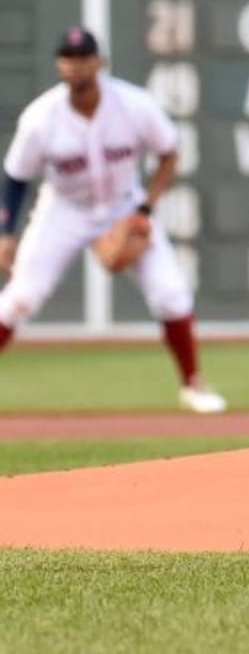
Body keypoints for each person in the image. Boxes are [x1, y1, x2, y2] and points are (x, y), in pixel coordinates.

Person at [0, 27, 226, 413]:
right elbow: (17, 176)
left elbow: (169, 153)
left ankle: (193, 383)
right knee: (20, 298)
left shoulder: (133, 104)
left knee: (172, 294)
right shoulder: (41, 117)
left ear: (99, 62)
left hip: (124, 204)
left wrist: (145, 211)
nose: (77, 66)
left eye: (85, 57)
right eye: (70, 59)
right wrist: (5, 233)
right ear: (60, 65)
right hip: (64, 210)